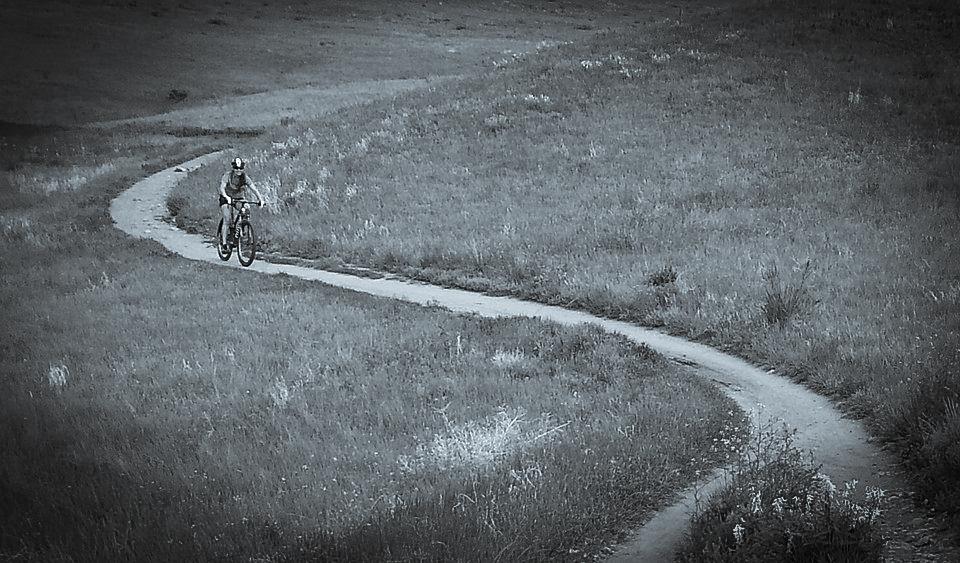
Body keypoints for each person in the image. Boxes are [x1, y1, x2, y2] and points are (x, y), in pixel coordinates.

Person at [218, 157, 264, 247]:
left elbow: (254, 189)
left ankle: (244, 233)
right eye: (236, 168)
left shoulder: (245, 177)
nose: (238, 170)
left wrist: (260, 199)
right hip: (226, 198)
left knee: (246, 210)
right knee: (227, 218)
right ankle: (223, 243)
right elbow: (222, 188)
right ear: (233, 168)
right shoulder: (228, 175)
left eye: (240, 168)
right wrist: (226, 197)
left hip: (239, 198)